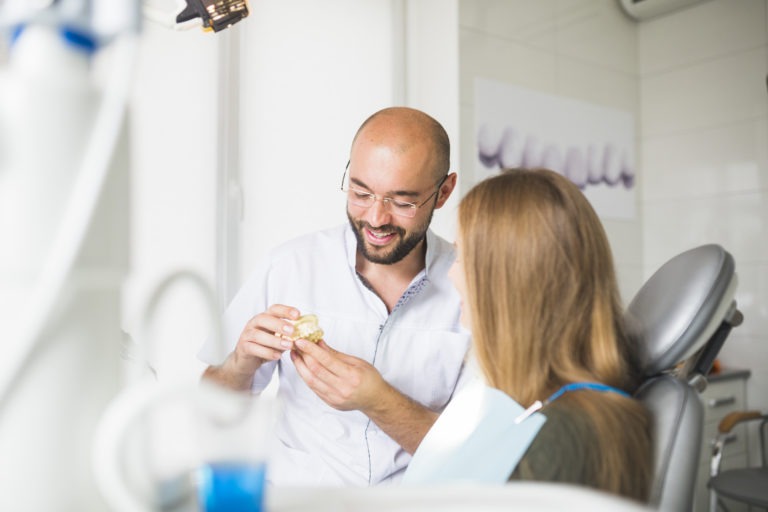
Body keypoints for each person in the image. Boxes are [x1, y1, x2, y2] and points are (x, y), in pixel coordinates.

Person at [197, 107, 470, 486]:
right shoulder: (290, 266)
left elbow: (475, 456)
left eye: (403, 202)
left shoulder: (472, 288)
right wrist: (240, 362)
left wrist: (380, 401)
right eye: (361, 193)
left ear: (443, 192)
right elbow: (212, 408)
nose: (376, 218)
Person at [444, 168, 652, 501]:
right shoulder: (546, 408)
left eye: (461, 257)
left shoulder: (560, 438)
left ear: (507, 283)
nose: (451, 273)